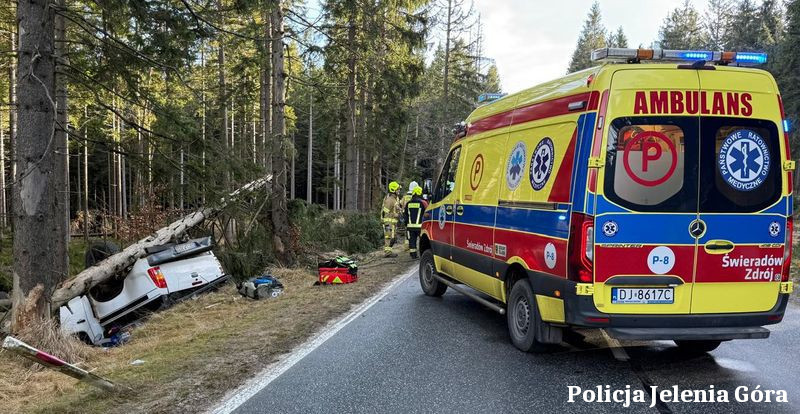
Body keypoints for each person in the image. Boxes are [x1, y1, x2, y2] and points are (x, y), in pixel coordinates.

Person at [404, 186, 428, 259]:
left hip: (410, 227)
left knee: (412, 241)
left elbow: (405, 215)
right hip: (420, 226)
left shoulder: (408, 203)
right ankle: (423, 255)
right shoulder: (423, 202)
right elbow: (427, 213)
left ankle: (413, 255)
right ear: (419, 193)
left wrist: (406, 224)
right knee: (422, 241)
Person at [381, 181, 403, 258]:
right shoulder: (389, 200)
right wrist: (396, 215)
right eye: (397, 189)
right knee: (389, 237)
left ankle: (389, 251)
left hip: (392, 222)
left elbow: (395, 208)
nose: (399, 191)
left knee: (393, 238)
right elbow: (385, 213)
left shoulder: (395, 199)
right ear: (393, 190)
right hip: (388, 222)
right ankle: (387, 253)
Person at [402, 181, 419, 249]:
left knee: (407, 231)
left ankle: (406, 246)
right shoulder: (415, 197)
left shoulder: (405, 197)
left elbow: (401, 204)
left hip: (406, 215)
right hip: (415, 215)